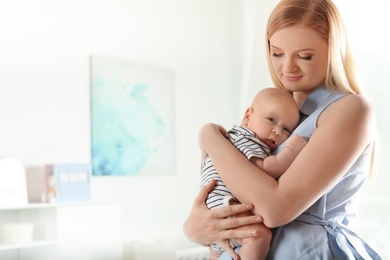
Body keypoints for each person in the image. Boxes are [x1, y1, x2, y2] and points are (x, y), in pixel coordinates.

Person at [183, 0, 382, 259]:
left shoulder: (349, 110)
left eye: (304, 56)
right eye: (277, 53)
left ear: (334, 51)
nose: (287, 67)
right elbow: (216, 185)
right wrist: (194, 229)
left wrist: (209, 136)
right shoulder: (277, 113)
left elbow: (274, 209)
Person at [200, 88, 307, 260]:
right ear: (248, 116)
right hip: (225, 201)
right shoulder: (246, 138)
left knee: (218, 251)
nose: (277, 131)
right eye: (271, 120)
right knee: (258, 235)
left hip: (215, 202)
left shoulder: (233, 137)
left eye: (286, 129)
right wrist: (292, 150)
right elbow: (267, 168)